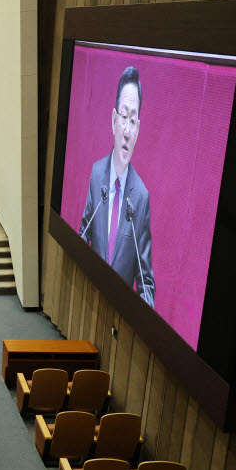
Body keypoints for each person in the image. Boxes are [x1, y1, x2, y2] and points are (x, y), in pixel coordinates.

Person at [80, 65, 155, 306]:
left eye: (133, 121)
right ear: (114, 120)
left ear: (138, 130)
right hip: (89, 300)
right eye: (124, 117)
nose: (126, 130)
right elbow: (83, 235)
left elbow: (146, 283)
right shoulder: (96, 173)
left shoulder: (141, 197)